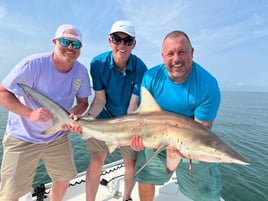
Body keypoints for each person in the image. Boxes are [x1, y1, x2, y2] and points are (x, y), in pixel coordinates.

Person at [0, 24, 91, 201]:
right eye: (65, 42)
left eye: (76, 44)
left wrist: (74, 115)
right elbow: (3, 92)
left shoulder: (81, 72)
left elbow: (83, 102)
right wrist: (30, 114)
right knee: (9, 193)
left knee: (64, 178)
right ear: (54, 42)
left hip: (56, 137)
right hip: (22, 137)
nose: (71, 47)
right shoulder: (32, 65)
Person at [130, 30, 222, 201]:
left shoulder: (207, 86)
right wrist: (138, 138)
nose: (176, 59)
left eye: (182, 52)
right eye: (170, 54)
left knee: (205, 191)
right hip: (154, 138)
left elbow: (200, 131)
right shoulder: (150, 77)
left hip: (189, 144)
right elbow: (145, 118)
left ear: (192, 52)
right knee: (145, 176)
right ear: (163, 56)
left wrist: (177, 150)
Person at [84, 20, 147, 201]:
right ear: (109, 41)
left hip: (130, 120)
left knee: (130, 165)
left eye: (127, 41)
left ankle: (126, 197)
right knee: (96, 161)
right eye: (116, 39)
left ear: (133, 44)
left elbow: (133, 106)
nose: (121, 45)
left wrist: (122, 136)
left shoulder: (141, 68)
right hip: (104, 118)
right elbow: (99, 99)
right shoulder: (97, 63)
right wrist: (86, 119)